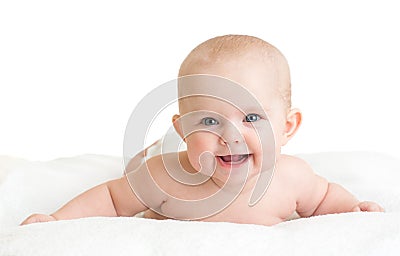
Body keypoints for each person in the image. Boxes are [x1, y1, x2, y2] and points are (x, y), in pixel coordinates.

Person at [21, 34, 384, 226]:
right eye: (209, 121)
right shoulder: (164, 177)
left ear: (287, 128)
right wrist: (57, 219)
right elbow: (112, 200)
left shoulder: (293, 178)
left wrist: (353, 209)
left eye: (251, 118)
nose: (232, 136)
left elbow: (324, 200)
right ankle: (142, 153)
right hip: (157, 173)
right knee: (136, 172)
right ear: (181, 129)